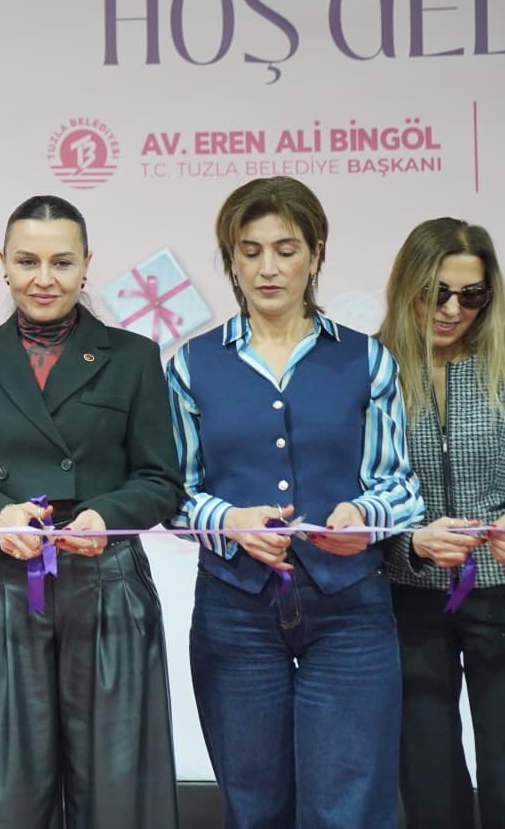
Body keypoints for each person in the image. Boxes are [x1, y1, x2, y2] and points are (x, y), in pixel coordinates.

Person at [0, 194, 181, 828]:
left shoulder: (133, 356)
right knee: (7, 794)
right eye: (27, 261)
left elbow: (161, 481)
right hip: (5, 586)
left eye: (62, 262)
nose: (44, 278)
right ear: (3, 264)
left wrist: (107, 515)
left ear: (86, 265)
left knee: (120, 793)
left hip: (109, 583)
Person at [167, 176, 424, 829]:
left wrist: (364, 517)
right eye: (250, 251)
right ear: (231, 260)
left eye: (286, 250)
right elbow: (171, 490)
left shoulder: (367, 359)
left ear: (316, 255)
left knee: (350, 807)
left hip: (350, 610)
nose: (268, 268)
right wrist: (226, 521)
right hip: (235, 611)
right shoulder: (191, 365)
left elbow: (400, 486)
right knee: (254, 806)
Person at [376, 217, 505, 829]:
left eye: (471, 295)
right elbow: (354, 495)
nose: (454, 310)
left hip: (500, 596)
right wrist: (410, 544)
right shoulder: (371, 371)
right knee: (429, 783)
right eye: (437, 293)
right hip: (409, 602)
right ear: (409, 286)